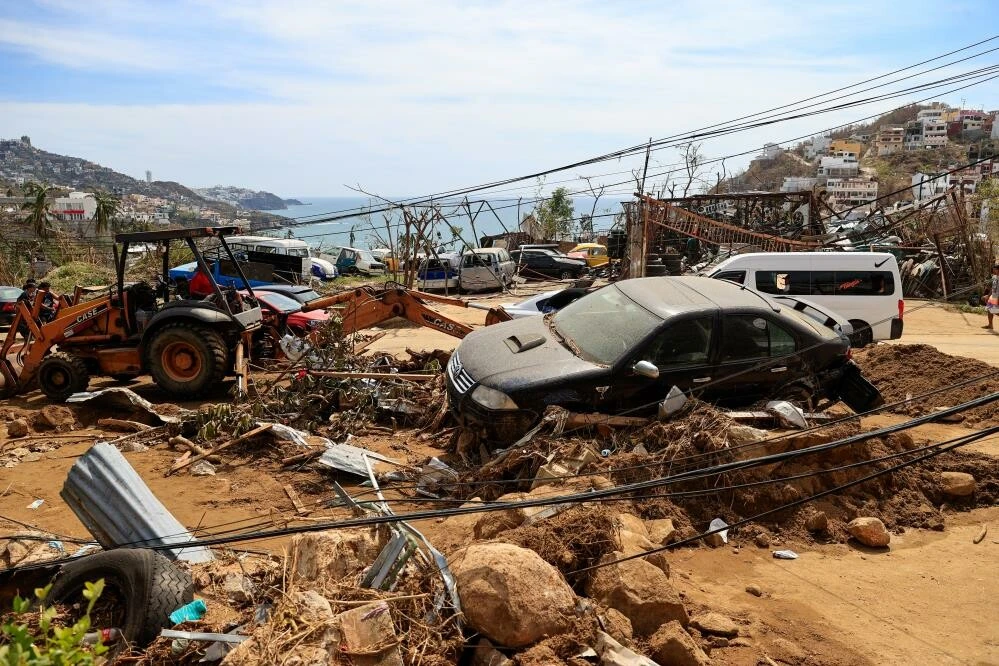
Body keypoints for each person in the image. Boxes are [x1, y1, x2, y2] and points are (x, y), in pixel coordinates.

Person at [985, 263, 999, 330]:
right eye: (993, 270)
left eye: (995, 270)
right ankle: (990, 325)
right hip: (994, 295)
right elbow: (993, 288)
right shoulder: (994, 277)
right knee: (990, 309)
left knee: (993, 310)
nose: (994, 271)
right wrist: (988, 296)